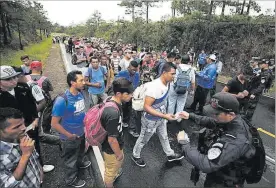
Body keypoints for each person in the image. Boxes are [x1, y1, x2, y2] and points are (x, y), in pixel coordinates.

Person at [177, 92, 256, 187]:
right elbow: (213, 121)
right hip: (220, 172)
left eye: (216, 114)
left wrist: (184, 144)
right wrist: (190, 116)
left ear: (230, 114)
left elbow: (206, 164)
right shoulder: (233, 119)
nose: (212, 116)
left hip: (225, 182)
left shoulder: (236, 140)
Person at [0, 65, 54, 173]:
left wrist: (36, 118)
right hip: (10, 131)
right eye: (8, 79)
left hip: (30, 124)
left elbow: (32, 105)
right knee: (15, 150)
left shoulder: (23, 87)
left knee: (35, 145)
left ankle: (40, 167)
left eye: (14, 77)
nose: (13, 81)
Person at [132, 63, 184, 167]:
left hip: (161, 116)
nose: (174, 76)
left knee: (164, 136)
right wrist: (165, 116)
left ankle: (170, 154)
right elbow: (147, 107)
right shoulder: (155, 87)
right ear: (164, 73)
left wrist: (165, 115)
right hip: (150, 120)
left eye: (175, 74)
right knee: (143, 139)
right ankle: (135, 155)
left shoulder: (167, 83)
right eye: (172, 74)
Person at [51, 70, 91, 188]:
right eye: (81, 80)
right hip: (69, 137)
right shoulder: (62, 100)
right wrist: (69, 135)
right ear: (72, 83)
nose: (84, 82)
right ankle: (71, 180)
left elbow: (81, 112)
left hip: (81, 133)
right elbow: (54, 123)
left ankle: (80, 163)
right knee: (70, 161)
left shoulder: (80, 94)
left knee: (80, 152)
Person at [101, 78, 133, 188]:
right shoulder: (113, 113)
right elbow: (111, 139)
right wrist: (118, 153)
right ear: (119, 93)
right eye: (128, 94)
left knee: (116, 166)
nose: (131, 96)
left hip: (117, 143)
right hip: (111, 149)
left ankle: (115, 173)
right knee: (110, 172)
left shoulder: (113, 101)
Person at [0, 108, 43, 188]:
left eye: (23, 123)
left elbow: (34, 155)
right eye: (17, 127)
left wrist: (40, 170)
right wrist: (25, 156)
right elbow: (6, 185)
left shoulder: (21, 134)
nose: (24, 128)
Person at [115, 61, 140, 137]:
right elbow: (115, 83)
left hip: (132, 96)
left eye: (135, 70)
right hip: (123, 97)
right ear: (129, 67)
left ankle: (132, 129)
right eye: (133, 70)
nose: (134, 72)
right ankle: (122, 122)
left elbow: (137, 84)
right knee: (122, 110)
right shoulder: (122, 73)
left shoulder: (137, 75)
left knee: (133, 112)